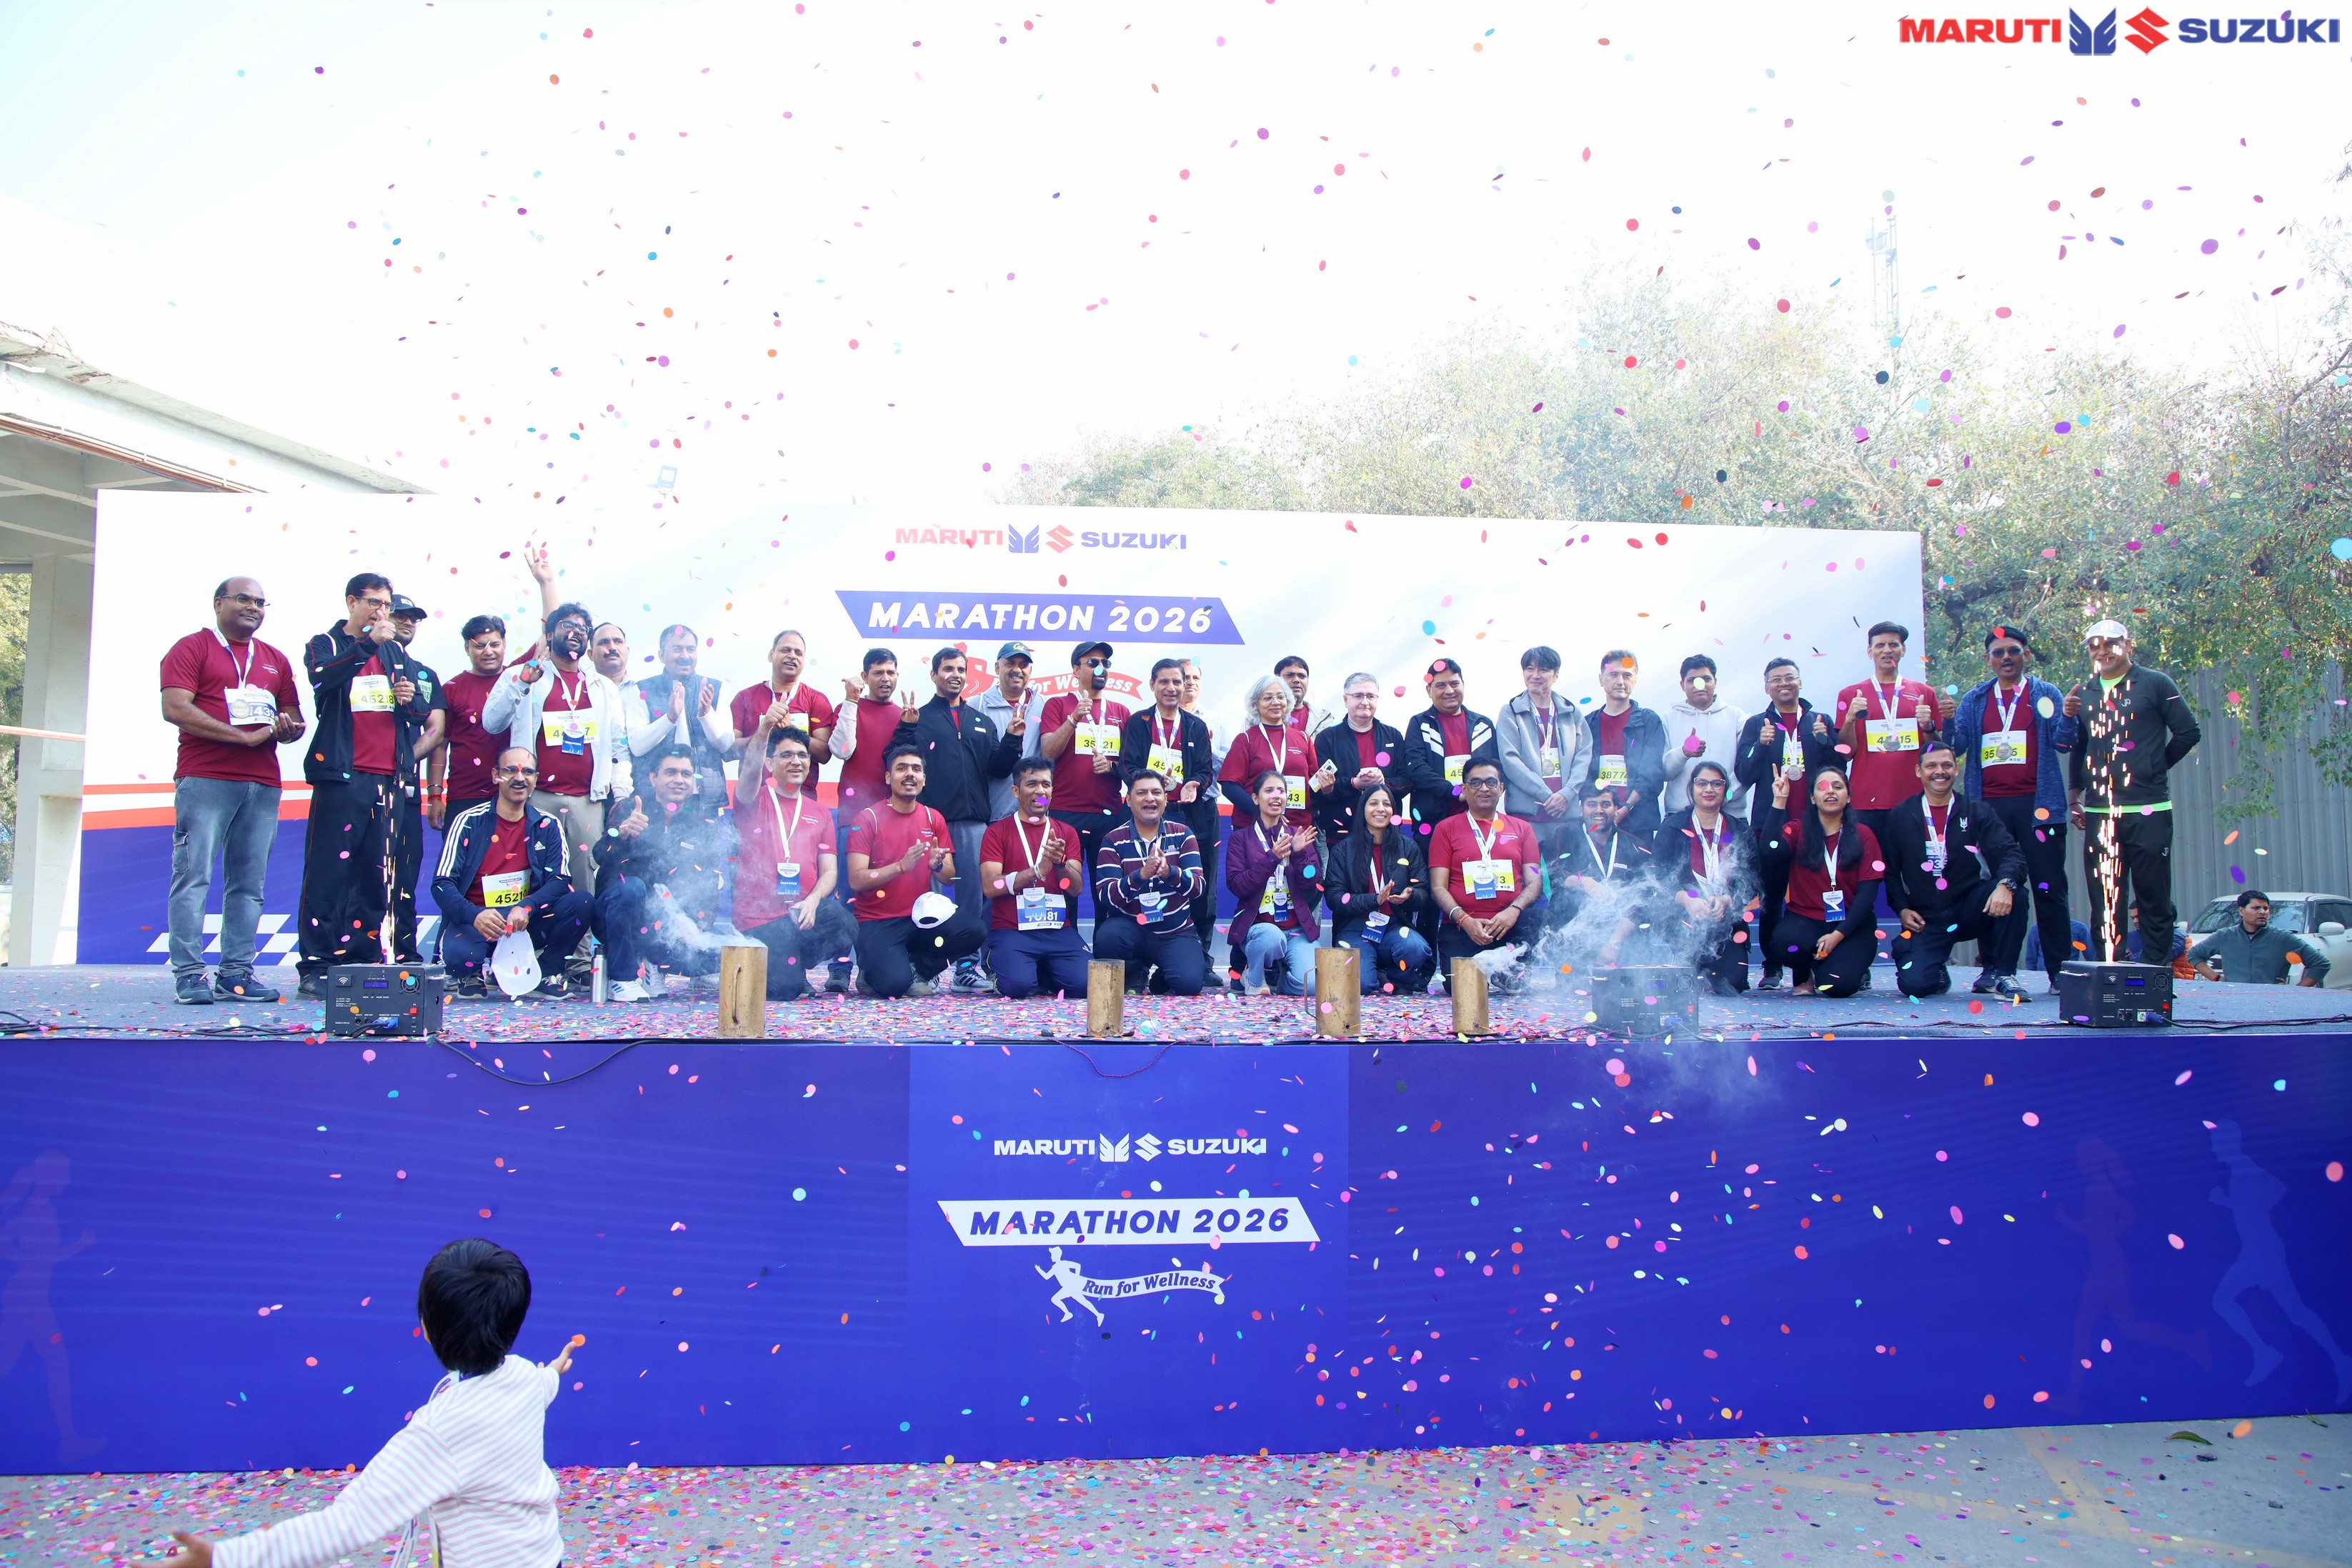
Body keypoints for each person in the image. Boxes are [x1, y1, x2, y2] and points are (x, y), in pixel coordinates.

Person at [131, 1238, 577, 1568]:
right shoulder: (522, 1375)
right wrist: (554, 1371)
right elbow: (542, 1387)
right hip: (546, 1556)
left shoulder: (441, 1431)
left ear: (425, 1327)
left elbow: (345, 1524)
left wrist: (225, 1558)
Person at [159, 576, 306, 1004]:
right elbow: (175, 707)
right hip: (206, 777)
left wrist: (288, 729)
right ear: (219, 603)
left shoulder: (275, 659)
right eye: (244, 599)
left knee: (248, 884)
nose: (253, 607)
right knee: (194, 877)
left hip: (262, 782)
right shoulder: (193, 648)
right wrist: (239, 737)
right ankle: (189, 974)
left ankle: (236, 973)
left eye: (261, 602)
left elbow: (293, 719)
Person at [481, 601, 630, 954]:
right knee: (530, 878)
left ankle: (577, 961)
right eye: (566, 626)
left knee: (583, 881)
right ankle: (523, 958)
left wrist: (622, 793)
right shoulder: (524, 675)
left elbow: (618, 748)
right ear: (549, 634)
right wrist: (522, 682)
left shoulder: (602, 686)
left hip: (586, 801)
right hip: (535, 798)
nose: (575, 632)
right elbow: (492, 722)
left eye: (582, 628)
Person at [294, 573, 418, 997]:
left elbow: (417, 711)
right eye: (373, 603)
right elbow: (321, 679)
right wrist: (365, 644)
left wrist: (409, 697)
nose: (382, 612)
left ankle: (361, 957)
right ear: (352, 602)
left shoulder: (394, 651)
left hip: (387, 778)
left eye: (386, 605)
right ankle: (318, 962)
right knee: (329, 871)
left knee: (375, 873)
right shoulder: (326, 643)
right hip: (343, 776)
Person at [2059, 619, 2201, 964]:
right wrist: (2075, 796)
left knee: (2153, 896)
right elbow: (2079, 745)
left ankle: (2156, 971)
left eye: (2111, 643)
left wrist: (2153, 767)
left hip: (2148, 808)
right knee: (2105, 899)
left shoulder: (2156, 683)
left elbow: (2188, 732)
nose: (2102, 651)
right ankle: (2110, 969)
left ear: (2128, 645)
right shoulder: (2084, 692)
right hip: (2100, 813)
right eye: (2094, 645)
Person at [1947, 626, 2073, 992]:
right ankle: (1992, 968)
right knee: (1992, 887)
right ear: (1988, 659)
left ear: (2026, 655)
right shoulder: (1975, 699)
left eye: (2013, 651)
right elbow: (1956, 747)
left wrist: (2068, 717)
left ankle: (2060, 973)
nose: (2006, 658)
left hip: (2040, 809)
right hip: (1989, 811)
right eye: (1999, 653)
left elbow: (2064, 744)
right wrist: (1947, 720)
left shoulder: (2046, 694)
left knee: (2049, 889)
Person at [892, 646, 1020, 992]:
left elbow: (998, 769)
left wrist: (1012, 740)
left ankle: (966, 968)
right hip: (930, 823)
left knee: (972, 899)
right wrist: (906, 730)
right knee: (929, 899)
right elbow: (899, 760)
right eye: (948, 669)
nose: (955, 675)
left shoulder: (981, 721)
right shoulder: (919, 718)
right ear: (934, 675)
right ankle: (927, 967)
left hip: (973, 825)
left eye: (961, 669)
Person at [432, 748, 593, 998]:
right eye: (510, 771)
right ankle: (470, 974)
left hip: (525, 922)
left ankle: (543, 973)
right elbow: (442, 884)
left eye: (527, 772)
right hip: (478, 921)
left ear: (536, 779)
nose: (519, 778)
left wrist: (527, 906)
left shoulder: (548, 824)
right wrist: (474, 915)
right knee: (461, 956)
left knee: (582, 903)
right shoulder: (468, 821)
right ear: (495, 775)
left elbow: (560, 880)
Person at [1880, 741, 2028, 999]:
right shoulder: (1901, 815)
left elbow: (2011, 853)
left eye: (1947, 765)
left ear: (1956, 770)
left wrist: (2005, 885)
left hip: (1968, 908)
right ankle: (1937, 971)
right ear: (1919, 771)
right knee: (1915, 985)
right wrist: (1902, 909)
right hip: (1926, 917)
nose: (1940, 771)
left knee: (2016, 894)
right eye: (1932, 766)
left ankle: (2003, 972)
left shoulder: (1976, 811)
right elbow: (1890, 872)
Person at [589, 746, 734, 999]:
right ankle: (622, 977)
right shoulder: (630, 808)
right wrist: (621, 833)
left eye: (686, 774)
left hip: (669, 923)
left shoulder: (699, 823)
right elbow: (600, 854)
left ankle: (658, 964)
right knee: (632, 888)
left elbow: (707, 882)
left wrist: (697, 925)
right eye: (670, 772)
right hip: (620, 915)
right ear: (653, 778)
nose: (679, 780)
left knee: (721, 955)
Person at [845, 744, 985, 997]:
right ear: (888, 777)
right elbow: (856, 880)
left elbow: (950, 878)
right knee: (893, 986)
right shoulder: (867, 819)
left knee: (974, 930)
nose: (910, 774)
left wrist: (938, 865)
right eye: (901, 768)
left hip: (920, 919)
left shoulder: (934, 818)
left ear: (924, 779)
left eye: (916, 769)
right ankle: (872, 969)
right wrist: (901, 867)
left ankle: (918, 970)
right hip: (877, 921)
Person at [730, 729, 857, 1001]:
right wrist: (765, 729)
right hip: (759, 921)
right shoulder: (753, 799)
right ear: (769, 763)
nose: (796, 761)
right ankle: (771, 968)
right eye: (786, 755)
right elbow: (749, 771)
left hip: (799, 916)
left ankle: (791, 964)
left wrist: (812, 901)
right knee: (786, 990)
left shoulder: (820, 812)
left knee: (845, 924)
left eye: (802, 755)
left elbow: (830, 871)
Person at [1754, 764, 1881, 998]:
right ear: (1813, 798)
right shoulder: (1797, 829)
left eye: (1838, 787)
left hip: (1851, 924)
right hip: (1806, 921)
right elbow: (1770, 851)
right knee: (1784, 943)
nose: (1830, 791)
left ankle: (1837, 966)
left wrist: (1837, 936)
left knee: (1838, 987)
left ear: (1848, 796)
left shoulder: (1864, 835)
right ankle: (1804, 969)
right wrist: (1780, 800)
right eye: (1822, 787)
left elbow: (1867, 894)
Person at [1122, 658, 1222, 952]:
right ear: (1152, 685)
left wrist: (1194, 784)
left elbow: (1205, 769)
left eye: (1177, 682)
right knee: (1146, 879)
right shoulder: (1138, 722)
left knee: (1199, 885)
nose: (1171, 688)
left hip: (1192, 815)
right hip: (1149, 817)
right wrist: (1151, 783)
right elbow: (1127, 766)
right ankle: (1139, 958)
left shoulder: (1196, 726)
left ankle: (1201, 956)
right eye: (1164, 681)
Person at [978, 756, 1091, 999]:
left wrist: (1060, 864)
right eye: (1032, 784)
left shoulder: (1066, 832)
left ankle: (1041, 969)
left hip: (1057, 930)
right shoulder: (997, 832)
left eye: (1046, 784)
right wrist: (1037, 872)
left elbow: (1076, 889)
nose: (1040, 791)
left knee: (1085, 985)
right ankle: (1002, 966)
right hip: (1012, 930)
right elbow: (991, 886)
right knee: (1017, 987)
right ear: (1016, 791)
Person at [1427, 759, 1543, 993]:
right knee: (1460, 988)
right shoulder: (1445, 828)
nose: (1484, 788)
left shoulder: (1522, 828)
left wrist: (1513, 911)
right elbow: (1438, 888)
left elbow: (1535, 882)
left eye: (1491, 782)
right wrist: (1465, 920)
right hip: (1464, 927)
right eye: (1476, 783)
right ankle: (1493, 968)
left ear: (1501, 788)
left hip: (1510, 926)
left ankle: (1505, 968)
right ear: (1464, 789)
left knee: (1540, 918)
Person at [1039, 640, 1132, 932]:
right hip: (1064, 813)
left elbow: (1131, 766)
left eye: (1106, 663)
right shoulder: (1058, 705)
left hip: (1109, 814)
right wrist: (1073, 719)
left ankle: (1108, 947)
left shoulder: (1121, 711)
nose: (1101, 668)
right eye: (1093, 662)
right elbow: (1047, 753)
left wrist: (1113, 768)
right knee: (1066, 886)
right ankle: (1067, 945)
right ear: (1076, 670)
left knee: (1108, 888)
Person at [1091, 771, 1209, 995]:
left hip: (1175, 930)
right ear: (1128, 800)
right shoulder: (1113, 840)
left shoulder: (1183, 835)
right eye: (1141, 793)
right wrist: (1140, 876)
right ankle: (1135, 970)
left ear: (1166, 798)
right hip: (1130, 928)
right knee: (1107, 938)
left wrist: (1169, 872)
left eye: (1156, 792)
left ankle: (1165, 972)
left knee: (1189, 984)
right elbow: (1106, 895)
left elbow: (1198, 888)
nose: (1150, 798)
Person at [1319, 783, 1434, 993]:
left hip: (1394, 926)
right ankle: (1374, 975)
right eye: (1374, 803)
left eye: (1387, 804)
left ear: (1394, 811)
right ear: (1363, 809)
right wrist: (1375, 900)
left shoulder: (1408, 847)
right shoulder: (1343, 850)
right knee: (1361, 985)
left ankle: (1391, 976)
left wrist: (1410, 896)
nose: (1381, 809)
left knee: (1417, 949)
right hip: (1354, 928)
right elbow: (1334, 898)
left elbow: (1423, 892)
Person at [1834, 621, 1943, 839]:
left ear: (1903, 650)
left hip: (1914, 798)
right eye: (1880, 645)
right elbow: (1846, 754)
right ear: (1870, 652)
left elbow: (1936, 751)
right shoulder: (1850, 695)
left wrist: (1928, 727)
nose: (1887, 650)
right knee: (1868, 860)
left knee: (1913, 860)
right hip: (1866, 802)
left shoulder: (1924, 693)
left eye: (1893, 644)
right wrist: (1849, 720)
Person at [1652, 761, 1750, 994]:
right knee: (1682, 982)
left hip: (1725, 921)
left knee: (1733, 984)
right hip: (1682, 917)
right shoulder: (1672, 828)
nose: (1709, 789)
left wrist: (1727, 901)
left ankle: (1708, 964)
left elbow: (1751, 881)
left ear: (1726, 790)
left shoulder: (1739, 830)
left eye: (1717, 784)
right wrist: (1687, 900)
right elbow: (1657, 878)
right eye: (1702, 783)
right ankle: (1685, 958)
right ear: (1692, 788)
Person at [385, 594, 447, 964]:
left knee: (405, 871)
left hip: (405, 787)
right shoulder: (361, 664)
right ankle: (359, 952)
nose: (408, 623)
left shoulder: (424, 674)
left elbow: (437, 729)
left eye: (414, 618)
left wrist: (404, 761)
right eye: (401, 616)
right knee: (362, 870)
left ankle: (405, 952)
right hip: (362, 784)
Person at [1225, 771, 1325, 996]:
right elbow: (1237, 885)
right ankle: (1253, 978)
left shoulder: (1298, 836)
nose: (1276, 796)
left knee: (1311, 986)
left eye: (1281, 791)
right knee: (1270, 936)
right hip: (1258, 927)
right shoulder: (1241, 839)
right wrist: (1272, 857)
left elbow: (1313, 880)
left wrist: (1299, 854)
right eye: (1269, 790)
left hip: (1296, 929)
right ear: (1255, 798)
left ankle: (1281, 983)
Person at [1495, 646, 1587, 862]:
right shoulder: (1511, 712)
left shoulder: (1571, 712)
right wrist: (1548, 796)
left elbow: (1583, 757)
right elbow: (1510, 761)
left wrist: (1566, 794)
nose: (1535, 675)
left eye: (1543, 670)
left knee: (1568, 878)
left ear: (1556, 675)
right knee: (1528, 877)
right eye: (1530, 669)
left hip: (1565, 816)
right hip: (1526, 816)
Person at [627, 624, 730, 812]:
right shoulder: (643, 689)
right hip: (656, 799)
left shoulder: (714, 688)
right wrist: (669, 718)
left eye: (691, 649)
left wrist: (706, 714)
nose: (685, 656)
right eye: (677, 649)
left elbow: (725, 744)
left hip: (704, 799)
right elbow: (637, 746)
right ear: (661, 655)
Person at [1398, 658, 1500, 833]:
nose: (1450, 691)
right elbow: (1416, 768)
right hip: (1433, 823)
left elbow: (1497, 769)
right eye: (1441, 686)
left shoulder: (1483, 725)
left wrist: (1478, 793)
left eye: (1454, 684)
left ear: (1463, 685)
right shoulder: (1420, 724)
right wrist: (1454, 792)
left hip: (1480, 819)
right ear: (1429, 690)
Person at [1579, 649, 1667, 846]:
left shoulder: (1649, 721)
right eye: (1613, 675)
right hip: (1598, 822)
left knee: (1641, 868)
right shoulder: (1588, 724)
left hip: (1638, 822)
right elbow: (1583, 774)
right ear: (1601, 679)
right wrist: (1601, 809)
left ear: (1635, 681)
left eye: (1627, 675)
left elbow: (1651, 773)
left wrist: (1627, 807)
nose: (1620, 681)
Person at [727, 628, 837, 786]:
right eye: (785, 650)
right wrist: (764, 731)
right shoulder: (744, 697)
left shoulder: (817, 700)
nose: (792, 656)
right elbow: (729, 752)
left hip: (801, 795)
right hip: (754, 794)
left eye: (798, 653)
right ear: (771, 655)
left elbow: (824, 755)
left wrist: (790, 730)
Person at [1220, 673, 1322, 834]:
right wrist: (1262, 810)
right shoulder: (1246, 740)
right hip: (1254, 827)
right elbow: (1229, 786)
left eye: (1280, 697)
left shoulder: (1303, 739)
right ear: (1256, 704)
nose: (1275, 702)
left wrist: (1327, 787)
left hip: (1297, 828)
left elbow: (1314, 785)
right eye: (1268, 698)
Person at [1314, 671, 1407, 844]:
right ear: (1346, 700)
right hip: (1341, 835)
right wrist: (1353, 783)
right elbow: (1319, 790)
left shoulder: (1393, 736)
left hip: (1387, 833)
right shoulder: (1327, 738)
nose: (1365, 702)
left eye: (1371, 696)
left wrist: (1383, 782)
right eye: (1358, 696)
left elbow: (1407, 781)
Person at [434, 615, 512, 825]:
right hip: (465, 795)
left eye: (494, 645)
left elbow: (547, 636)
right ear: (467, 648)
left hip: (514, 793)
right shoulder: (451, 689)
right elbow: (439, 745)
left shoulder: (518, 681)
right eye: (479, 646)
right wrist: (434, 796)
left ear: (504, 644)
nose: (488, 652)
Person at [1549, 787, 1654, 936]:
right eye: (1592, 804)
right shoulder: (1566, 834)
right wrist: (1585, 882)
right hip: (1573, 925)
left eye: (1606, 805)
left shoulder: (1635, 845)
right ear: (1581, 809)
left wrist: (1615, 941)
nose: (1599, 810)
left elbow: (1644, 893)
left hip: (1621, 928)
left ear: (1616, 809)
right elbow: (1557, 875)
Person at [1660, 654, 1750, 819]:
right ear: (1682, 685)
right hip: (1680, 816)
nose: (1699, 685)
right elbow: (1663, 772)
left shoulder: (1737, 717)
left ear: (1715, 682)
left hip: (1730, 815)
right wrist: (1683, 753)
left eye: (1706, 679)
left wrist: (1726, 796)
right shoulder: (1667, 720)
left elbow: (1747, 769)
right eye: (1692, 680)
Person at [2188, 890, 2331, 987]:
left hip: (2271, 1000)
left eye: (2266, 908)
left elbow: (2321, 964)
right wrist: (2216, 978)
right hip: (2234, 999)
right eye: (2256, 908)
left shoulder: (2283, 937)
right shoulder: (2225, 936)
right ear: (2242, 911)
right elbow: (2194, 955)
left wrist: (2296, 991)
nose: (2263, 912)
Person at [974, 641, 1047, 822]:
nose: (1017, 670)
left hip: (1036, 813)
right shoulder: (978, 705)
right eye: (1010, 663)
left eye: (1023, 665)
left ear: (1030, 670)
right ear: (997, 667)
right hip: (993, 813)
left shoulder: (1044, 705)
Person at [1275, 654, 1332, 735]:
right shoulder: (1261, 716)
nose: (1297, 680)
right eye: (1290, 675)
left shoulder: (1324, 719)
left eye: (1302, 676)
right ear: (1276, 680)